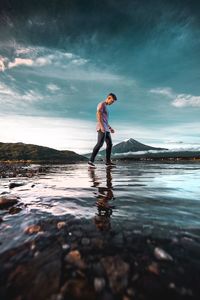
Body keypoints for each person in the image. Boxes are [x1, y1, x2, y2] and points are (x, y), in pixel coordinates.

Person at [88, 93, 117, 167]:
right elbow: (98, 114)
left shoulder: (106, 107)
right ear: (108, 98)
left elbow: (105, 121)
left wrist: (110, 128)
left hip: (106, 129)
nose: (112, 103)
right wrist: (101, 126)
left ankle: (108, 162)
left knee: (109, 144)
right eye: (112, 101)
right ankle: (91, 161)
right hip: (102, 128)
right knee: (100, 143)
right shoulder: (101, 104)